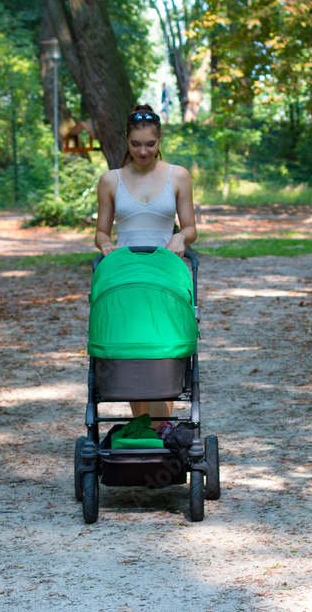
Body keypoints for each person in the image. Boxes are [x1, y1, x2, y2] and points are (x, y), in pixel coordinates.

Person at [94, 104, 197, 433]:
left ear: (159, 139)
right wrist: (106, 245)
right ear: (126, 140)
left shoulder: (177, 175)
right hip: (126, 273)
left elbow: (191, 228)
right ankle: (145, 425)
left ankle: (159, 426)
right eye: (136, 144)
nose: (143, 151)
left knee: (161, 343)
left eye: (150, 144)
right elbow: (101, 231)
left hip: (165, 269)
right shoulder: (111, 180)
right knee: (132, 344)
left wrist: (181, 237)